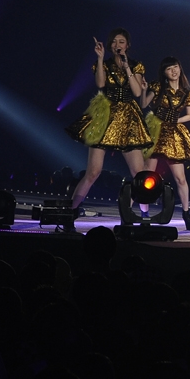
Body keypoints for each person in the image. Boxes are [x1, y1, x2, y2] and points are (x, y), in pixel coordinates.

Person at [65, 29, 153, 230]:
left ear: (127, 45)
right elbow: (100, 83)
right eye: (114, 41)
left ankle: (144, 214)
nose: (117, 45)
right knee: (93, 172)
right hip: (105, 116)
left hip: (128, 118)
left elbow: (137, 91)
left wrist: (127, 67)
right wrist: (99, 58)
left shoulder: (136, 65)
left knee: (139, 173)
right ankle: (69, 214)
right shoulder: (103, 64)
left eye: (121, 41)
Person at [141, 56, 190, 230]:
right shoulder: (158, 87)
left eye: (175, 67)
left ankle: (186, 213)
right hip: (156, 131)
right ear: (164, 73)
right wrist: (144, 90)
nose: (173, 71)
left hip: (173, 134)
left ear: (180, 68)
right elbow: (144, 103)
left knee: (180, 178)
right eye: (169, 68)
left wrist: (175, 121)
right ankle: (144, 213)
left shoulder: (186, 93)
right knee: (147, 175)